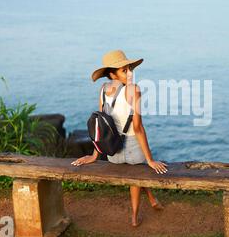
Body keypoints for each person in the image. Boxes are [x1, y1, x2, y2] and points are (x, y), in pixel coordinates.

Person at [71, 49, 168, 227]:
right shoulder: (134, 90)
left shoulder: (102, 90)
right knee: (137, 175)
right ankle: (134, 216)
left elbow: (100, 126)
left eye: (130, 68)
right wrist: (150, 160)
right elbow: (138, 128)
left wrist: (94, 155)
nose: (130, 73)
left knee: (137, 171)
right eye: (124, 70)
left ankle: (152, 199)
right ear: (112, 73)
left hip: (112, 152)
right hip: (132, 149)